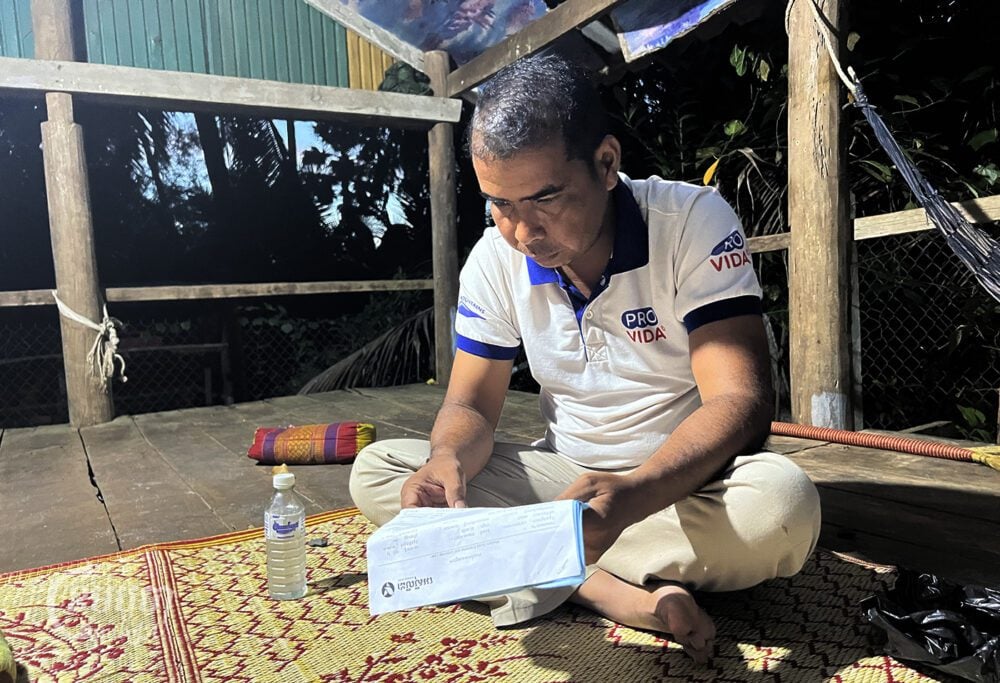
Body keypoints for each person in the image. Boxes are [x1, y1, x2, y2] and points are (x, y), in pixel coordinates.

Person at [350, 53, 821, 664]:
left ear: (605, 163)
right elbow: (471, 407)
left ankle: (536, 562)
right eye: (500, 204)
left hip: (681, 485)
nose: (522, 232)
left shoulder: (688, 222)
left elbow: (741, 400)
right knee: (382, 471)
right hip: (565, 479)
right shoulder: (494, 260)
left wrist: (633, 495)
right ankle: (608, 591)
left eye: (545, 198)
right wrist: (447, 459)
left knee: (781, 508)